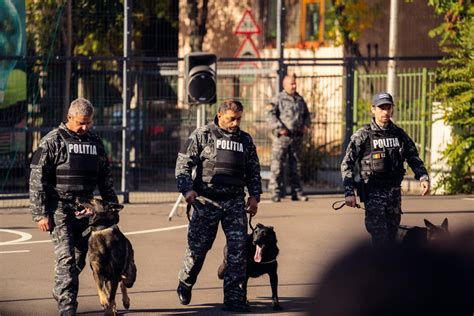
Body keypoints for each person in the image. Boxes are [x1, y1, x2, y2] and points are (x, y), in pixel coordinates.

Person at [29, 98, 118, 316]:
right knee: (66, 258)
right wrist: (40, 213)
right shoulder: (52, 141)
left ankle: (61, 289)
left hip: (86, 209)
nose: (85, 127)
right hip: (59, 206)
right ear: (69, 117)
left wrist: (112, 207)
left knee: (79, 257)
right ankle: (67, 306)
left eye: (88, 122)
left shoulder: (95, 143)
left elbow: (104, 178)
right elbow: (37, 178)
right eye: (80, 122)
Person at [175, 99, 262, 312]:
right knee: (198, 249)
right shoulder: (202, 135)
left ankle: (234, 299)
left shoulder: (245, 140)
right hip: (206, 202)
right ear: (220, 115)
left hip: (234, 203)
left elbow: (253, 171)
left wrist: (254, 196)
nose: (235, 123)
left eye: (239, 119)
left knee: (238, 250)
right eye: (232, 119)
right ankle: (186, 282)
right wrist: (188, 190)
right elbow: (183, 165)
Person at [341, 92, 430, 246]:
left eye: (388, 108)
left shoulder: (398, 134)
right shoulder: (363, 135)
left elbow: (413, 156)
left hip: (394, 194)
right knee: (380, 238)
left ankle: (387, 269)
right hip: (374, 193)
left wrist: (423, 177)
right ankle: (378, 269)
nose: (385, 112)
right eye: (382, 108)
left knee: (392, 236)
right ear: (373, 109)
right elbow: (347, 163)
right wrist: (349, 192)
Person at [266, 74, 311, 202]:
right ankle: (275, 192)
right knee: (277, 165)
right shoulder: (278, 98)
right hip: (282, 138)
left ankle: (296, 192)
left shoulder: (299, 99)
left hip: (296, 138)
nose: (294, 86)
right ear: (284, 85)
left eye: (295, 83)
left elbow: (307, 115)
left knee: (295, 166)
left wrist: (306, 126)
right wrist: (279, 128)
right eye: (291, 84)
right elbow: (269, 114)